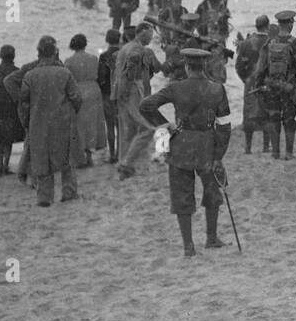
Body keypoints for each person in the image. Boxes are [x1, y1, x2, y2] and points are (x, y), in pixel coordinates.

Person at [139, 48, 232, 257]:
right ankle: (211, 238)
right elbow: (225, 125)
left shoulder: (175, 88)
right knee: (212, 191)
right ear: (205, 66)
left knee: (182, 194)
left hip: (181, 145)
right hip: (207, 145)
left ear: (187, 67)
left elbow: (145, 105)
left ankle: (188, 246)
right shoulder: (217, 89)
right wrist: (219, 155)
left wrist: (165, 125)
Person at [11, 35, 83, 207]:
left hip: (38, 123)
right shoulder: (64, 73)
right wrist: (72, 113)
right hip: (62, 121)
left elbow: (24, 101)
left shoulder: (30, 76)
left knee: (41, 160)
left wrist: (27, 121)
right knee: (66, 159)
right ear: (55, 53)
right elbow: (76, 98)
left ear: (39, 54)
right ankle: (69, 192)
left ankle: (44, 197)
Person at [253, 10, 296, 160]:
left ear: (278, 25)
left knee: (273, 118)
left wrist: (259, 84)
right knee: (289, 119)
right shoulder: (295, 43)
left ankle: (275, 152)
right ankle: (289, 153)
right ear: (290, 24)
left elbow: (261, 68)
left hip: (272, 88)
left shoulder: (270, 43)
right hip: (289, 88)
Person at [115, 24, 163, 179]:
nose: (151, 38)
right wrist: (128, 90)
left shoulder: (126, 47)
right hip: (133, 90)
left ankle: (124, 163)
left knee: (128, 130)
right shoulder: (137, 49)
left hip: (123, 90)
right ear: (141, 33)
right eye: (149, 35)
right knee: (148, 128)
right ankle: (127, 163)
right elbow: (130, 71)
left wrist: (121, 92)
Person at [65, 34, 107, 168]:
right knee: (92, 124)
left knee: (79, 124)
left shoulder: (69, 61)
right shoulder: (94, 58)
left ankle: (81, 156)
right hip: (93, 90)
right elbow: (100, 76)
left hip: (78, 90)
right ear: (85, 44)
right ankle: (90, 156)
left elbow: (67, 80)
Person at [234, 15, 272, 153]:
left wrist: (247, 80)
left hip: (250, 83)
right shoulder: (271, 42)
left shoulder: (245, 43)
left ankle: (248, 148)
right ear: (267, 26)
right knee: (267, 113)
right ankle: (266, 146)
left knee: (249, 114)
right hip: (267, 82)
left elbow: (238, 66)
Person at [0, 44, 24, 176]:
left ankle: (0, 165)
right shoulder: (17, 71)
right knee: (9, 138)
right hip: (12, 107)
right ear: (13, 56)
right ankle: (6, 165)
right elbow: (21, 90)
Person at [96, 28, 122, 163]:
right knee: (120, 125)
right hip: (121, 94)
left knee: (110, 125)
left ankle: (112, 154)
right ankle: (120, 153)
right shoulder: (123, 54)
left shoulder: (104, 56)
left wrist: (100, 87)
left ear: (107, 40)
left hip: (107, 94)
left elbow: (101, 76)